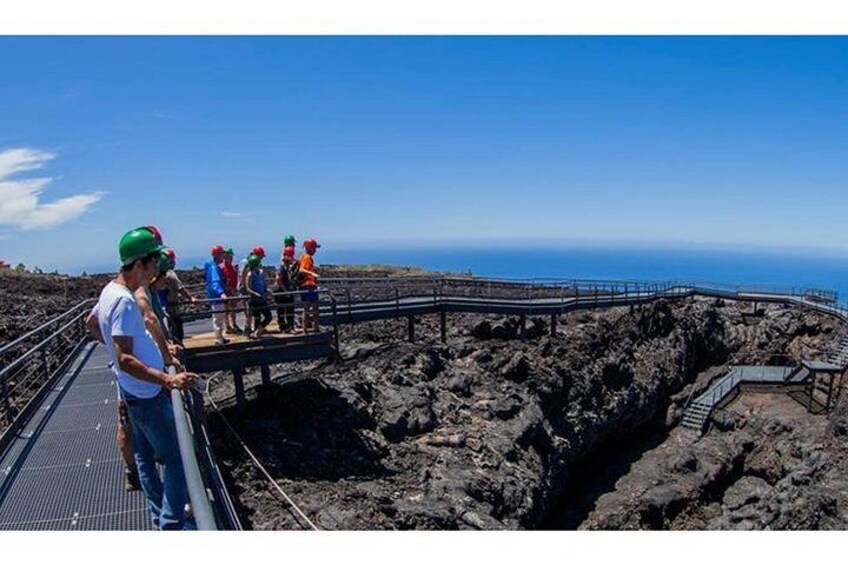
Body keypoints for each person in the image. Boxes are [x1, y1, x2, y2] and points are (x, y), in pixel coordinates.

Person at [92, 226, 197, 530]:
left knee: (144, 455)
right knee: (177, 459)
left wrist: (118, 352)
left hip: (133, 391)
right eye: (153, 263)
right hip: (147, 394)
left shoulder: (109, 291)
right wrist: (167, 380)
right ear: (140, 263)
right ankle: (171, 523)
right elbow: (125, 359)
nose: (155, 272)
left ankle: (158, 513)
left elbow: (92, 324)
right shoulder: (125, 301)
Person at [161, 248, 196, 343]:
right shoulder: (170, 274)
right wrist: (190, 298)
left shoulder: (160, 275)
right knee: (176, 330)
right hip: (172, 307)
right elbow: (180, 288)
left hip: (165, 306)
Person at [238, 246, 266, 337]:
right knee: (249, 311)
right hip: (246, 289)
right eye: (261, 256)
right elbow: (243, 275)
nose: (262, 258)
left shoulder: (250, 261)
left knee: (253, 311)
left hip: (250, 288)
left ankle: (255, 328)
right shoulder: (247, 262)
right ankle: (247, 329)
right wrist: (246, 288)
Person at [205, 245, 229, 345]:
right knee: (218, 318)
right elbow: (215, 282)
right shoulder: (214, 267)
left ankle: (220, 337)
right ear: (217, 255)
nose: (223, 256)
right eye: (221, 254)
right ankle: (219, 339)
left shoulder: (213, 266)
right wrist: (221, 293)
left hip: (215, 296)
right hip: (216, 297)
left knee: (219, 317)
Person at [245, 253, 272, 338]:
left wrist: (267, 290)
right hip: (255, 300)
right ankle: (256, 334)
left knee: (268, 316)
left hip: (262, 299)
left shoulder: (260, 274)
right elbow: (248, 288)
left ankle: (258, 331)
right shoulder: (250, 275)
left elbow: (263, 285)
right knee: (257, 318)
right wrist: (255, 293)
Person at [298, 238, 321, 333]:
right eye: (314, 248)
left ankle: (311, 328)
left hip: (307, 285)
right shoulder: (307, 257)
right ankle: (308, 329)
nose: (315, 250)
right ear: (310, 248)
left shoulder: (304, 256)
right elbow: (302, 270)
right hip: (308, 286)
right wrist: (313, 274)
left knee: (310, 308)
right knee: (310, 308)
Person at [274, 246, 296, 332]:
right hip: (282, 291)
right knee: (282, 310)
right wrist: (285, 291)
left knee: (289, 309)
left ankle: (290, 326)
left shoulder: (287, 267)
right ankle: (284, 327)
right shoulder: (282, 267)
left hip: (287, 290)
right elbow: (278, 279)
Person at [221, 248, 241, 335]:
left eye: (231, 256)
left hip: (233, 290)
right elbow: (222, 281)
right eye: (229, 256)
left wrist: (235, 289)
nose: (231, 258)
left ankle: (234, 324)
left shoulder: (232, 267)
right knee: (227, 310)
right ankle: (228, 326)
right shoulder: (222, 268)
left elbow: (235, 278)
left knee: (233, 309)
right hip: (227, 291)